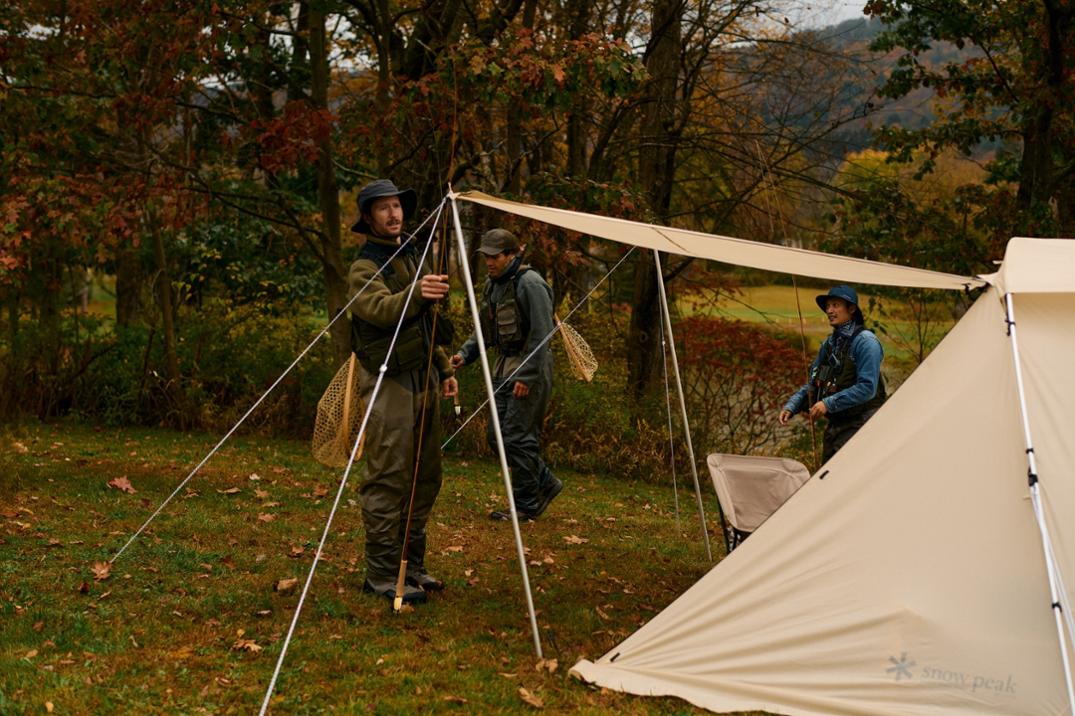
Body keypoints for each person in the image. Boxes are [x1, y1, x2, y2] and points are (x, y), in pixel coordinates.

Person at [348, 179, 457, 605]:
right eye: (383, 209)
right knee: (388, 475)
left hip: (423, 376)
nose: (394, 215)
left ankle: (412, 566)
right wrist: (416, 292)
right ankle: (380, 573)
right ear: (369, 218)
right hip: (387, 380)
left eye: (397, 206)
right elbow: (377, 308)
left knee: (424, 475)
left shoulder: (411, 252)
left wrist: (444, 367)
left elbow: (427, 323)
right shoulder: (364, 266)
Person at [450, 229, 562, 521]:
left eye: (494, 256)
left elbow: (541, 334)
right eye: (485, 256)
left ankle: (526, 505)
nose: (488, 261)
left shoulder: (531, 284)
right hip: (502, 369)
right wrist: (464, 354)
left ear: (511, 255)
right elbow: (486, 329)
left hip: (529, 371)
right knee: (496, 437)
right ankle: (546, 482)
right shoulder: (494, 285)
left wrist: (527, 376)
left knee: (516, 437)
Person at [779, 285, 886, 463]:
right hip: (837, 426)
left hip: (863, 425)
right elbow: (814, 383)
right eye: (827, 306)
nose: (829, 310)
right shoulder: (829, 344)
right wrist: (792, 405)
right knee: (825, 477)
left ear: (851, 309)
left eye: (836, 305)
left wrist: (828, 403)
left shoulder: (867, 342)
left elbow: (867, 388)